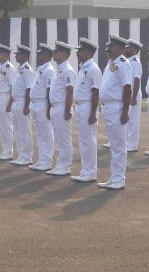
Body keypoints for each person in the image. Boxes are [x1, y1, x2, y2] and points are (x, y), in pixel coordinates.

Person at [98, 35, 132, 190]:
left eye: (111, 47)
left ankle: (119, 179)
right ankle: (114, 176)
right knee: (113, 145)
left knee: (119, 145)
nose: (108, 51)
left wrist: (125, 112)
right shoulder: (111, 63)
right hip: (109, 107)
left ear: (120, 48)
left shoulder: (123, 64)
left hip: (117, 107)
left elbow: (127, 88)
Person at [72, 38, 102, 184]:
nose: (78, 53)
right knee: (83, 140)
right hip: (79, 107)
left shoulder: (93, 69)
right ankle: (85, 171)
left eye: (81, 50)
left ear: (89, 52)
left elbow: (95, 93)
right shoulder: (83, 67)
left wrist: (92, 113)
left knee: (89, 141)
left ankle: (90, 172)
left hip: (88, 107)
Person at [46, 41, 76, 176]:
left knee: (64, 139)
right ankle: (60, 164)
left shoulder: (68, 70)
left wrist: (67, 110)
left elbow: (70, 91)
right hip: (55, 107)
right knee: (59, 138)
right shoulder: (58, 69)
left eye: (56, 52)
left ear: (64, 54)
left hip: (62, 107)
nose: (54, 54)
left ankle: (65, 166)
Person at [28, 43, 56, 171]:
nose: (38, 56)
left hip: (44, 104)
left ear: (47, 56)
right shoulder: (40, 69)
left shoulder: (49, 70)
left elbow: (49, 90)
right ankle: (41, 159)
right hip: (36, 104)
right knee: (40, 133)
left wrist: (49, 108)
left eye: (41, 54)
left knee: (46, 134)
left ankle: (47, 161)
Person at [10, 45, 35, 166]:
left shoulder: (27, 70)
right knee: (17, 131)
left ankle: (27, 156)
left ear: (25, 56)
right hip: (16, 102)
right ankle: (21, 155)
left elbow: (28, 89)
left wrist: (26, 105)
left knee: (24, 131)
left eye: (18, 54)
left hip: (22, 102)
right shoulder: (19, 69)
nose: (16, 56)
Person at [0, 43, 15, 161]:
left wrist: (10, 103)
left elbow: (12, 86)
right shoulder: (0, 67)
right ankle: (5, 149)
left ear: (5, 55)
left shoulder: (9, 68)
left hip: (5, 98)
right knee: (1, 125)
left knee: (6, 126)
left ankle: (8, 151)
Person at [124, 39, 143, 152]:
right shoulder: (128, 61)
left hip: (133, 93)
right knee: (127, 119)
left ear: (135, 50)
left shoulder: (135, 62)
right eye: (127, 47)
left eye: (130, 47)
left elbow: (137, 79)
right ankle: (127, 142)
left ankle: (132, 144)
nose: (127, 49)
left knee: (133, 120)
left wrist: (134, 96)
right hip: (128, 93)